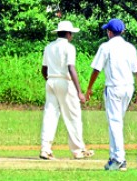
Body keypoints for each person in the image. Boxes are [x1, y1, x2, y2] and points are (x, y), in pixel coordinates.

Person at [85, 18, 137, 171]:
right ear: (122, 31)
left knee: (115, 123)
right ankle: (113, 157)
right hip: (128, 88)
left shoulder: (106, 47)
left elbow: (96, 69)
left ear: (109, 32)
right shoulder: (130, 48)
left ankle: (120, 159)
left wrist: (89, 88)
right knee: (116, 122)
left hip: (114, 87)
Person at [40, 20, 94, 160]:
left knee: (50, 115)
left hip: (51, 80)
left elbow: (43, 69)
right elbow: (71, 68)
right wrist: (79, 91)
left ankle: (45, 149)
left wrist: (50, 80)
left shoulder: (49, 47)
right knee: (73, 115)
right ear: (68, 34)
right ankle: (78, 150)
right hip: (65, 81)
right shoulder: (69, 47)